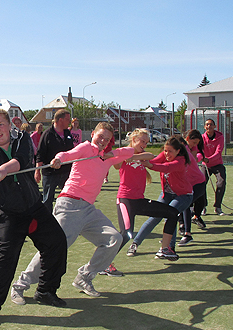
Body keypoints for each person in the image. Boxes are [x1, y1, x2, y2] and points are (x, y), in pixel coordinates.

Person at [12, 122, 150, 300]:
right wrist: (58, 159)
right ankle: (20, 285)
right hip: (69, 205)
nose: (102, 141)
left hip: (89, 209)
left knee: (114, 239)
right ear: (92, 133)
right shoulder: (86, 148)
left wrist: (113, 153)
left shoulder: (107, 157)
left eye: (107, 139)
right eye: (100, 136)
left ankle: (84, 277)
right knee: (55, 248)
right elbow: (68, 154)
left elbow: (132, 153)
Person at [0, 108, 68, 325]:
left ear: (10, 125)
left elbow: (21, 160)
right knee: (6, 258)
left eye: (2, 124)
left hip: (32, 206)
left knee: (56, 242)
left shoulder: (23, 140)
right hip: (6, 212)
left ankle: (46, 290)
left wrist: (4, 168)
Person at [112, 129, 180, 260]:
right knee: (126, 234)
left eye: (147, 142)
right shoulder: (124, 153)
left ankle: (164, 249)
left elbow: (151, 156)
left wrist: (134, 157)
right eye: (142, 141)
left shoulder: (143, 155)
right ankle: (104, 263)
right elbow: (116, 165)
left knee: (172, 213)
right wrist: (124, 155)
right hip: (125, 200)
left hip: (139, 201)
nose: (145, 144)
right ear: (134, 140)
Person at [127, 136, 194, 260]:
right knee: (154, 217)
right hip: (167, 194)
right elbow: (155, 160)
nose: (167, 154)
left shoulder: (181, 160)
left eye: (170, 151)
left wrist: (148, 165)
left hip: (183, 196)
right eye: (165, 151)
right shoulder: (166, 154)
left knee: (171, 214)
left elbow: (166, 167)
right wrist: (140, 159)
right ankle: (135, 243)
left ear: (178, 151)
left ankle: (168, 248)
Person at [34, 109, 75, 213]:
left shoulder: (67, 133)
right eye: (67, 119)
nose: (69, 122)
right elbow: (40, 154)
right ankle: (47, 222)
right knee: (47, 199)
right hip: (50, 173)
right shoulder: (47, 134)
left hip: (66, 171)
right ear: (60, 120)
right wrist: (37, 171)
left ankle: (66, 216)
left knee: (69, 196)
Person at [177, 130, 207, 245]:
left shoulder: (186, 151)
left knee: (186, 204)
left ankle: (187, 233)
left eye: (196, 143)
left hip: (198, 182)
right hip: (188, 183)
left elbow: (193, 158)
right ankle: (183, 228)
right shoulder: (183, 149)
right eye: (194, 143)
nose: (195, 146)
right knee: (184, 205)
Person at [200, 119, 226, 215]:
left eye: (211, 124)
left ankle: (218, 207)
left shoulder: (220, 137)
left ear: (214, 126)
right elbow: (199, 151)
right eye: (207, 124)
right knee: (201, 184)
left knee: (221, 182)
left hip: (217, 164)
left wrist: (208, 159)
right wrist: (202, 158)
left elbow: (218, 152)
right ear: (204, 127)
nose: (209, 126)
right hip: (205, 165)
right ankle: (203, 206)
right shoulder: (202, 138)